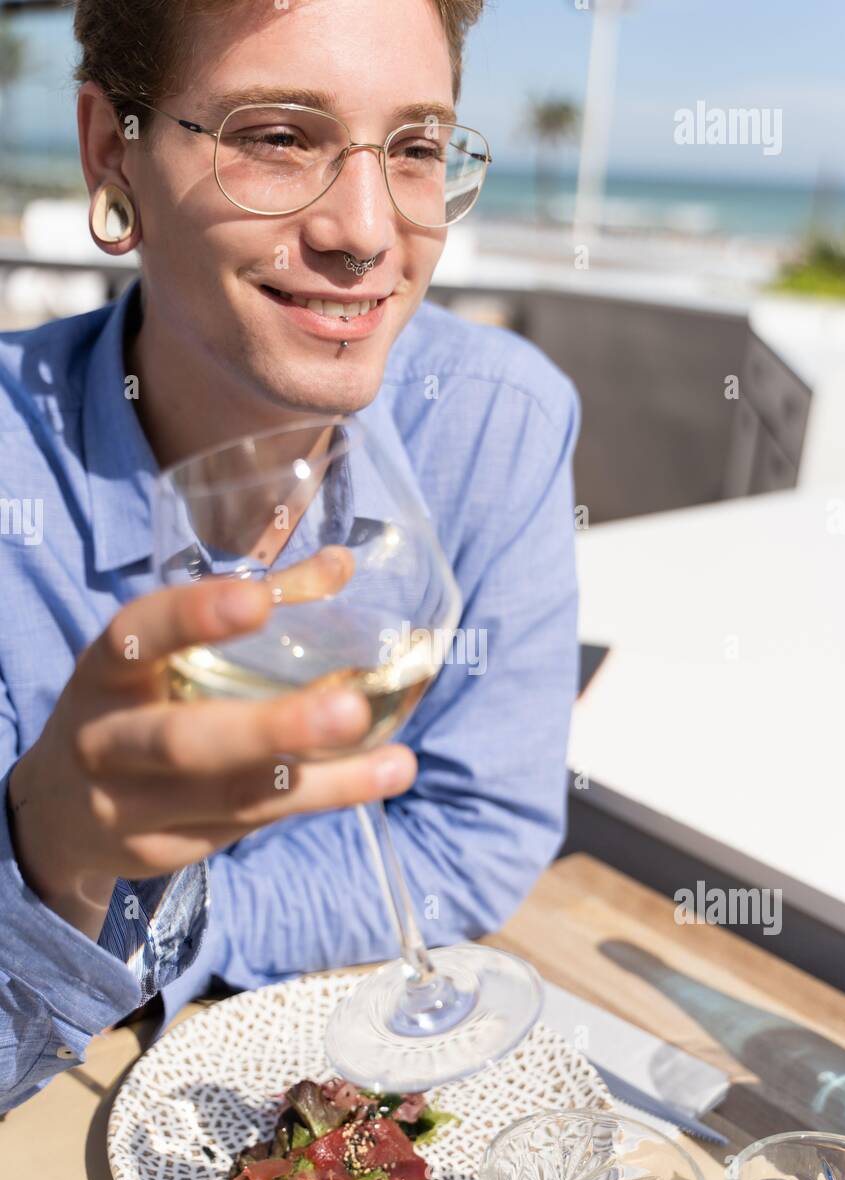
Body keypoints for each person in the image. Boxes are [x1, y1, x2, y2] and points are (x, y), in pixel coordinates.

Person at [0, 0, 580, 1113]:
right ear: (109, 148)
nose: (364, 231)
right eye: (276, 136)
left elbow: (478, 832)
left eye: (413, 149)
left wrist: (171, 912)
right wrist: (52, 853)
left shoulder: (492, 421)